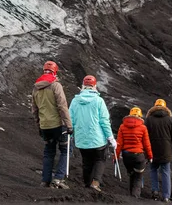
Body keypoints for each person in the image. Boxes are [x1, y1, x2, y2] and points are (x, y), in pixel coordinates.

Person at [69, 75, 116, 192]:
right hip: (98, 139)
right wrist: (110, 138)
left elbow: (70, 120)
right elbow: (104, 121)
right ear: (94, 86)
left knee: (86, 162)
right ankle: (95, 182)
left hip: (81, 140)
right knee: (100, 159)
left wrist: (70, 135)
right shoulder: (99, 101)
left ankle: (86, 185)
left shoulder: (75, 101)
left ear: (83, 86)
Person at [31, 61, 73, 189]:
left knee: (49, 152)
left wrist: (39, 126)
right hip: (58, 125)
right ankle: (59, 179)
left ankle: (45, 181)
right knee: (66, 151)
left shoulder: (36, 87)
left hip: (45, 126)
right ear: (55, 71)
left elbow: (34, 110)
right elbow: (62, 106)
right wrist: (69, 125)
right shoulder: (55, 85)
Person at [145, 98, 172, 202]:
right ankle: (166, 196)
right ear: (165, 107)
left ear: (154, 107)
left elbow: (145, 136)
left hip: (152, 150)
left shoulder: (149, 119)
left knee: (153, 170)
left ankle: (155, 192)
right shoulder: (170, 120)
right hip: (166, 150)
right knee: (166, 172)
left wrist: (146, 151)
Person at [115, 107, 153, 199]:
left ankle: (131, 195)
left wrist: (115, 156)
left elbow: (119, 144)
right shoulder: (143, 128)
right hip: (138, 156)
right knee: (138, 177)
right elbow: (146, 144)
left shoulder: (122, 126)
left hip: (126, 156)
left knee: (132, 174)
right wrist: (150, 156)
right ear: (140, 116)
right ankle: (135, 197)